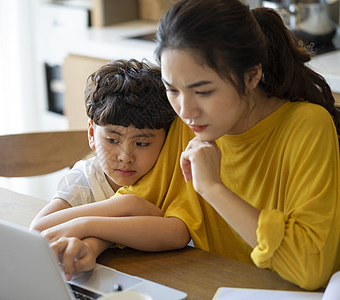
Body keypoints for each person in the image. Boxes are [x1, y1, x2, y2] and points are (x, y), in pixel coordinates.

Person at [48, 0, 340, 290]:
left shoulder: (306, 126)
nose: (186, 109)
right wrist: (92, 245)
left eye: (203, 91)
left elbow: (310, 269)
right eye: (172, 89)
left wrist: (213, 188)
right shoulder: (188, 125)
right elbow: (136, 210)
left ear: (252, 75)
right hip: (209, 285)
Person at [30, 59, 189, 280]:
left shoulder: (165, 175)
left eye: (142, 143)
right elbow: (39, 229)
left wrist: (88, 226)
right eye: (112, 139)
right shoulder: (84, 180)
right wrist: (127, 207)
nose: (125, 157)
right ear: (91, 134)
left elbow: (178, 234)